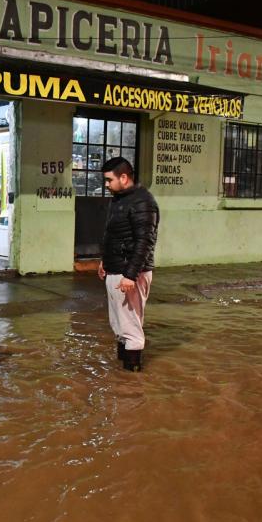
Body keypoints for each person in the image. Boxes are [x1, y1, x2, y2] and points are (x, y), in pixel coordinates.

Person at [98, 157, 159, 372]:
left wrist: (131, 275)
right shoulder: (120, 199)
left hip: (130, 273)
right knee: (119, 324)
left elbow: (145, 241)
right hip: (117, 269)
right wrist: (105, 261)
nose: (106, 185)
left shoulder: (143, 202)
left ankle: (131, 382)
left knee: (131, 328)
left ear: (124, 178)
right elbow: (113, 234)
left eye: (109, 180)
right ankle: (122, 375)